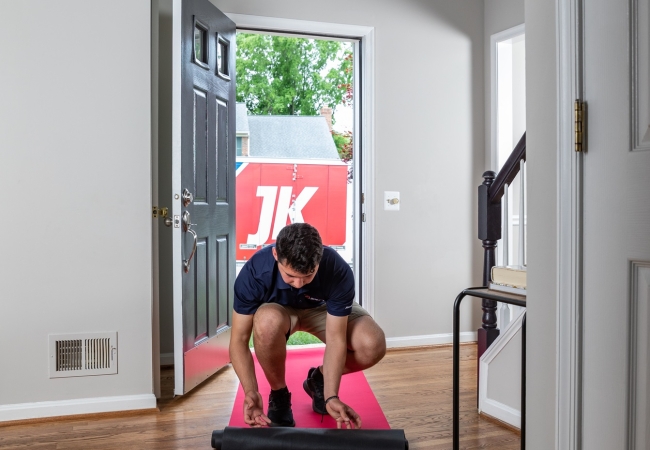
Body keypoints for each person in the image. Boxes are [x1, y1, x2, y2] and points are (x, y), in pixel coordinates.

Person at [230, 222, 386, 429]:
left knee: (373, 344)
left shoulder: (337, 269)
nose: (298, 284)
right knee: (267, 321)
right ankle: (279, 395)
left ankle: (319, 380)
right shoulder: (254, 273)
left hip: (322, 308)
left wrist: (331, 396)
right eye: (291, 276)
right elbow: (239, 341)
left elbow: (335, 339)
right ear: (276, 255)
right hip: (278, 310)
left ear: (319, 259)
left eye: (308, 276)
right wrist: (251, 391)